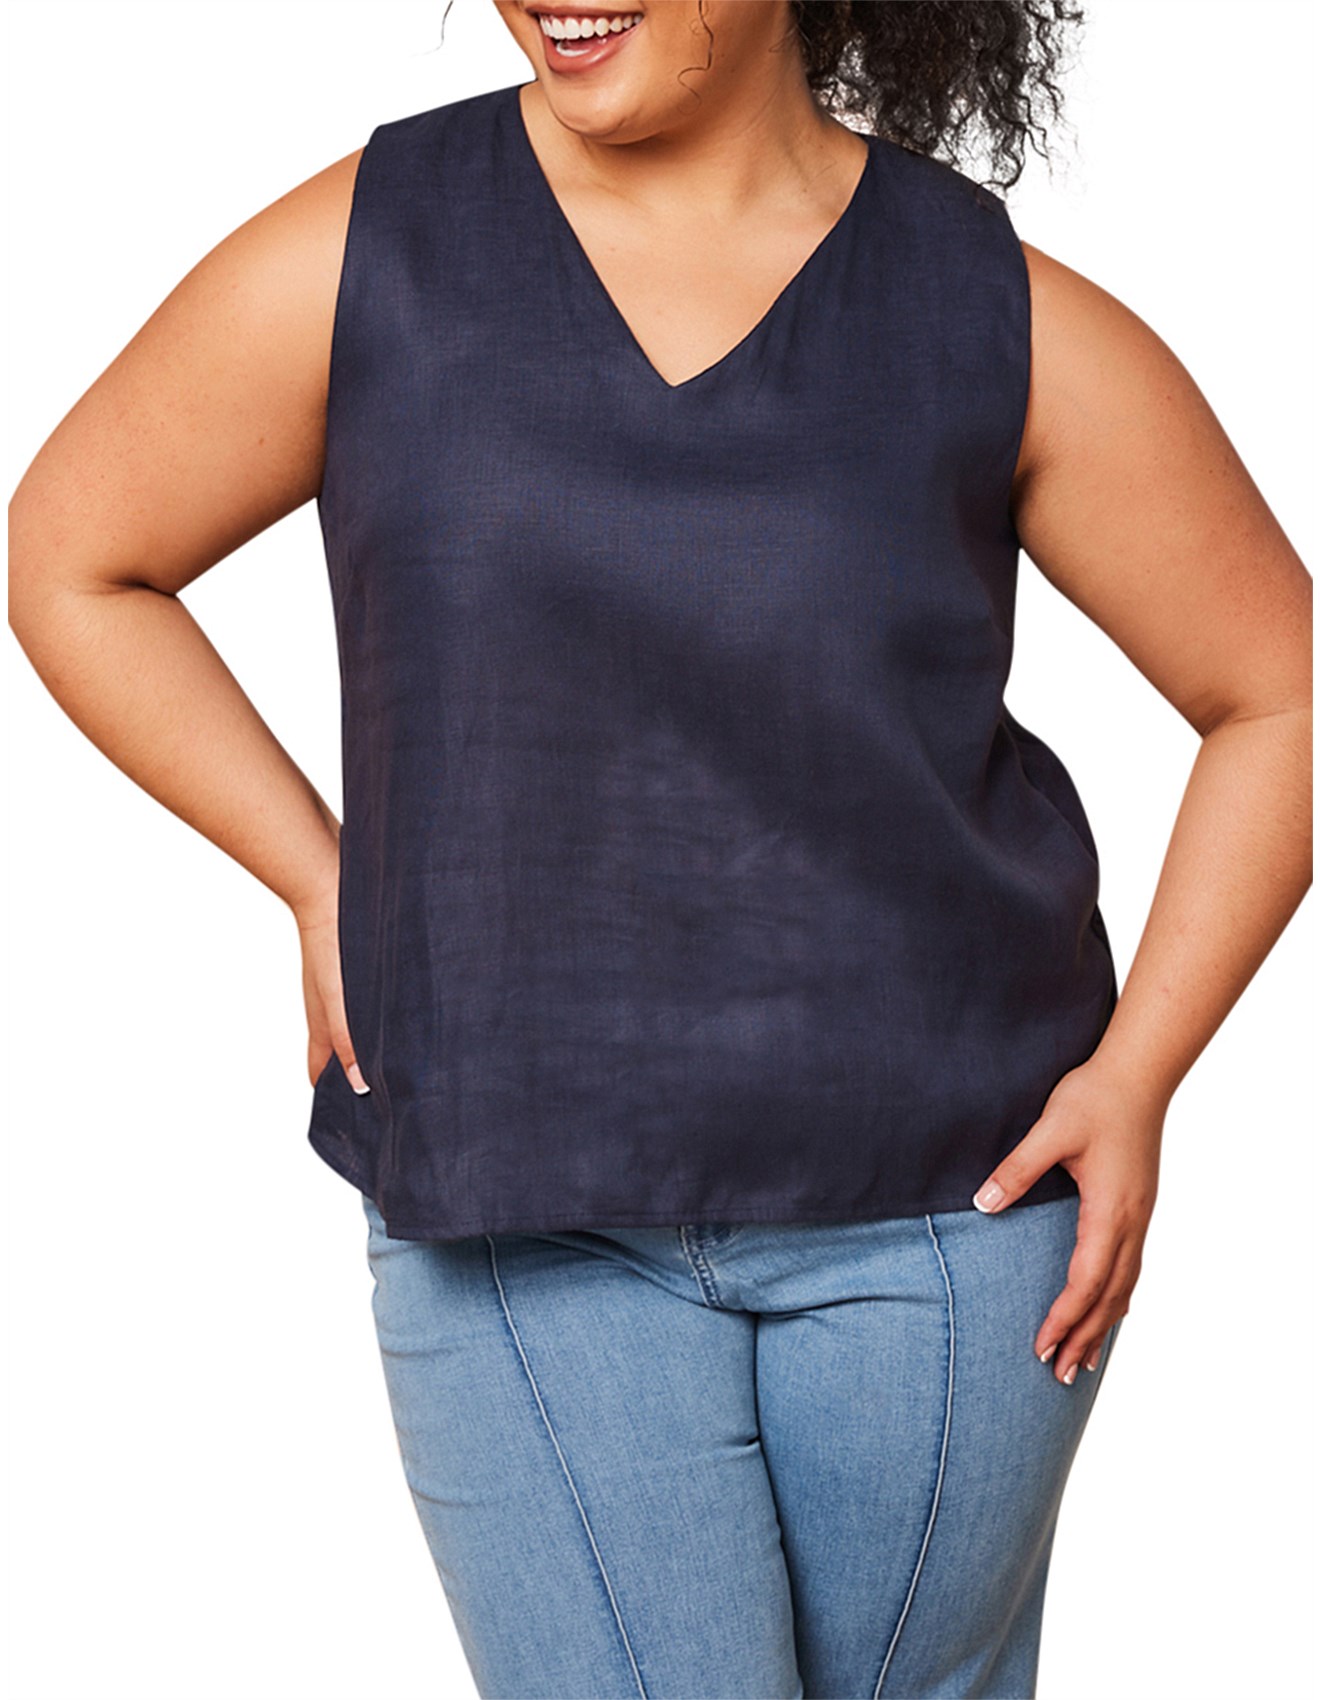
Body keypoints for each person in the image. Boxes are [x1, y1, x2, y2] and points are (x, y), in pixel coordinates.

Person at [7, 2, 1311, 1697]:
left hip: (953, 1222)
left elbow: (1280, 693)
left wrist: (1139, 1075)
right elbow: (73, 556)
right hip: (514, 1207)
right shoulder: (364, 255)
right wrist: (320, 871)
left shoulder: (991, 310)